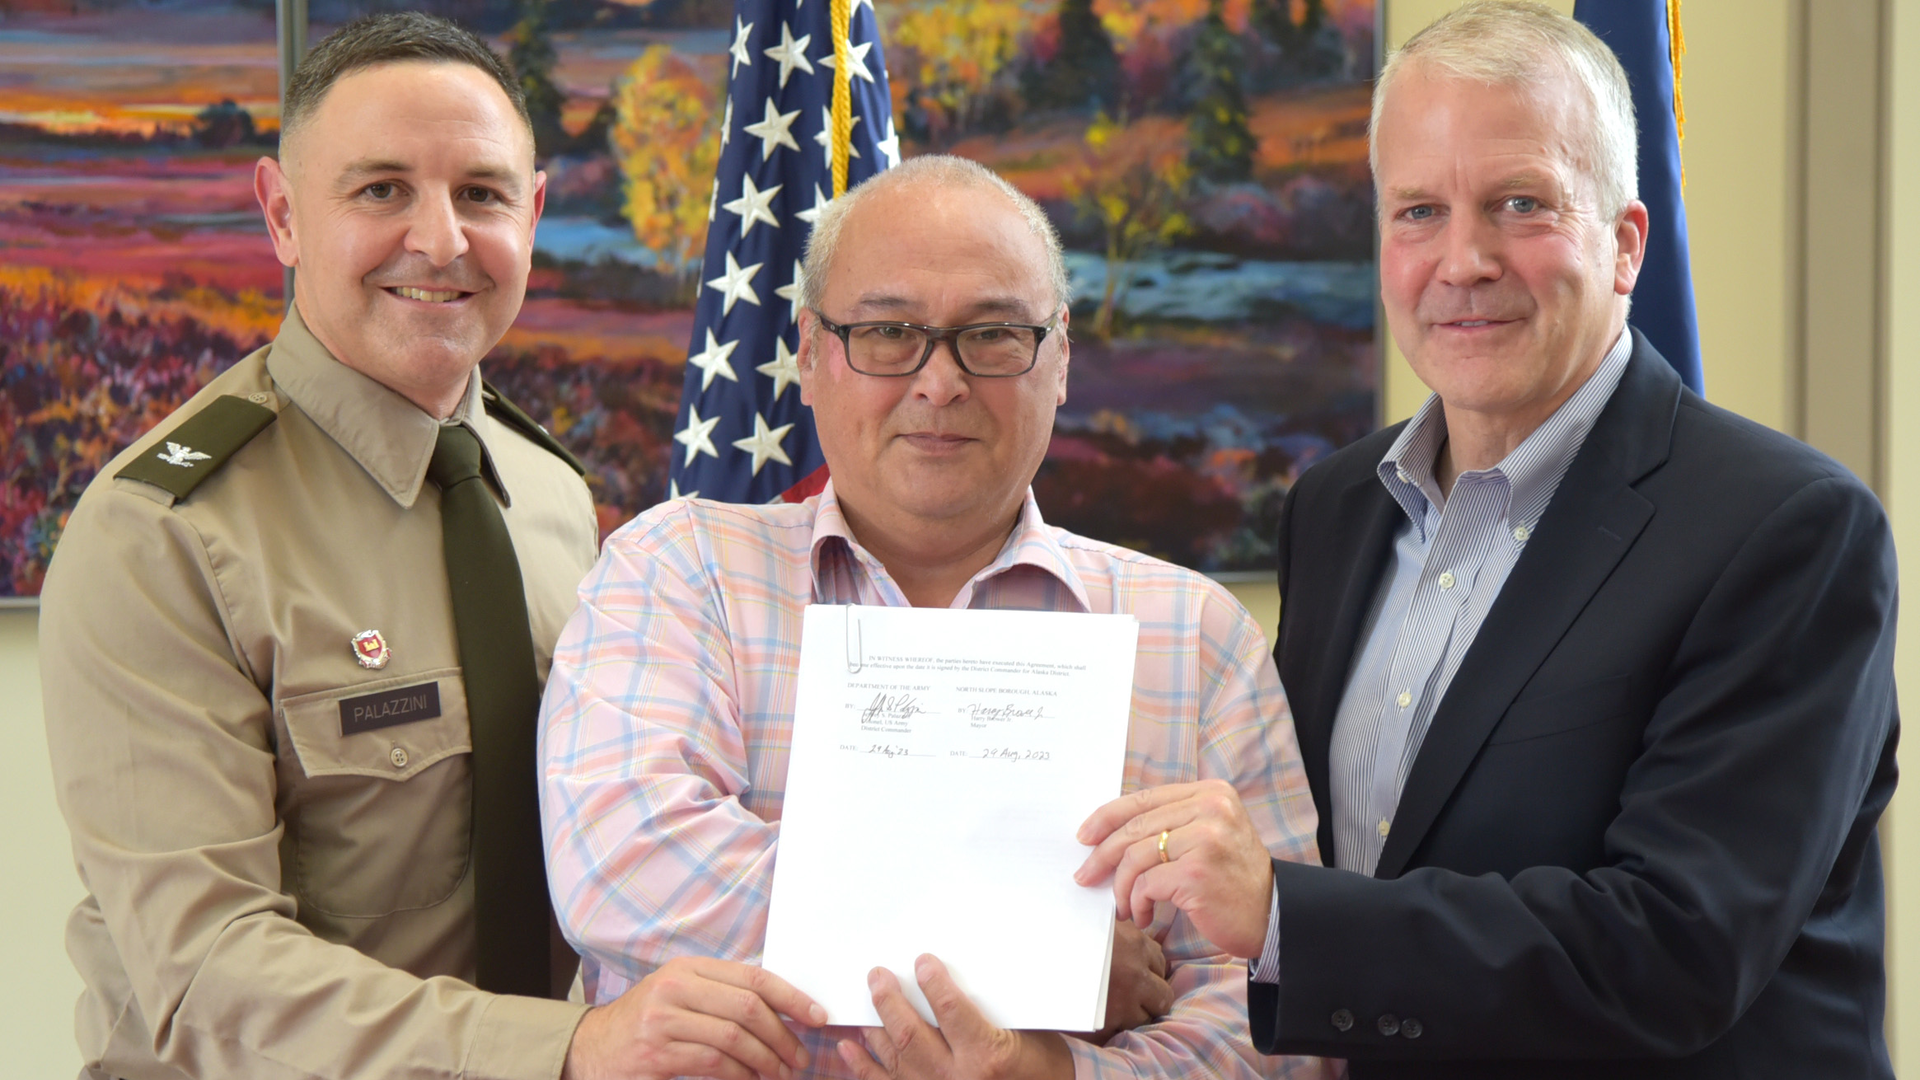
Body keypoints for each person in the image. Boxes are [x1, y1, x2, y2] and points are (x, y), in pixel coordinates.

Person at [1075, 3, 1898, 1077]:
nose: (1462, 260)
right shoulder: (1336, 507)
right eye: (1419, 211)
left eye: (1520, 204)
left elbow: (1674, 949)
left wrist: (1281, 913)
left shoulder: (1788, 532)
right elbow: (1319, 861)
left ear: (1625, 245)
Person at [39, 14, 827, 1080]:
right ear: (283, 215)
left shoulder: (550, 496)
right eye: (381, 190)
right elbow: (206, 971)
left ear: (533, 214)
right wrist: (566, 1049)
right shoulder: (161, 536)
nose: (442, 240)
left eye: (483, 194)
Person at [538, 154, 1330, 1080]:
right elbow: (625, 868)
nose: (940, 381)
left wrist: (1058, 1075)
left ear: (1060, 359)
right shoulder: (679, 572)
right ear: (809, 353)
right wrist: (1047, 954)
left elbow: (1276, 1024)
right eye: (887, 332)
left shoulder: (1197, 638)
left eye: (992, 334)